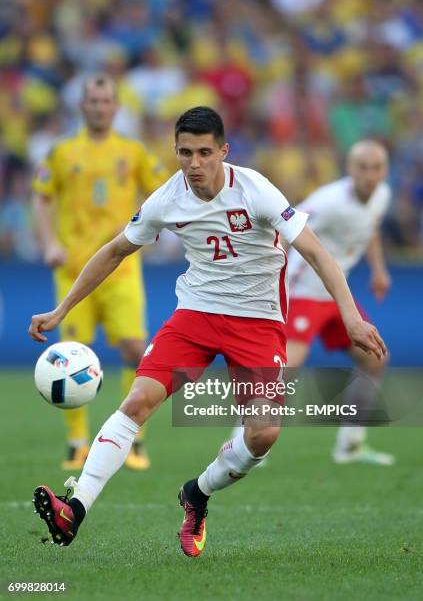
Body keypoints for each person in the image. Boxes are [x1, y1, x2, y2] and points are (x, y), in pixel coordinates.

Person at [29, 107, 387, 558]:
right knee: (138, 400)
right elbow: (117, 249)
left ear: (223, 151)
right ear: (175, 152)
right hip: (196, 314)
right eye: (184, 153)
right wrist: (62, 308)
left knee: (263, 434)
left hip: (258, 321)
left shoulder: (255, 190)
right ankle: (74, 509)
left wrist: (351, 316)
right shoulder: (167, 198)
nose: (193, 164)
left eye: (203, 153)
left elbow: (316, 253)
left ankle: (197, 493)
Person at [32, 73, 168, 470]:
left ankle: (134, 439)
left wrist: (151, 226)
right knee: (69, 357)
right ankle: (77, 442)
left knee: (133, 348)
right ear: (82, 106)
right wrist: (49, 244)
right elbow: (41, 200)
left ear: (116, 107)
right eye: (93, 101)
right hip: (74, 268)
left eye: (106, 101)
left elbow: (163, 192)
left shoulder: (134, 151)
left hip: (122, 269)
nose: (99, 107)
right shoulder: (61, 153)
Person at [286, 140, 393, 465]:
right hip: (302, 289)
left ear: (384, 171)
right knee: (285, 367)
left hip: (337, 294)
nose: (370, 175)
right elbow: (286, 225)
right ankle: (244, 441)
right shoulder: (328, 201)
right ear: (350, 169)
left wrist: (378, 269)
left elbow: (370, 227)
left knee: (375, 359)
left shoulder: (382, 196)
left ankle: (350, 445)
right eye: (363, 167)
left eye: (376, 168)